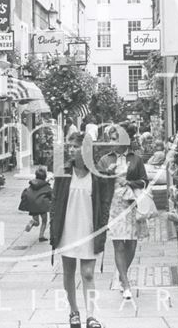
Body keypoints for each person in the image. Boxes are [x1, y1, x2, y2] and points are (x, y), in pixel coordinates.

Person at [50, 133, 113, 328]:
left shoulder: (98, 174)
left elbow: (105, 204)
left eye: (75, 146)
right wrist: (53, 227)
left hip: (88, 229)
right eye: (70, 146)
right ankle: (73, 311)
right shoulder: (63, 171)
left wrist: (102, 228)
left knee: (87, 273)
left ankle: (91, 316)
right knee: (68, 272)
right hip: (67, 228)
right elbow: (55, 201)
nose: (71, 149)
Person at [97, 125, 149, 300]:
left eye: (114, 138)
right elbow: (97, 183)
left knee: (132, 244)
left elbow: (144, 181)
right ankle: (126, 284)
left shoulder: (136, 159)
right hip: (113, 205)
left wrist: (130, 184)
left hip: (132, 204)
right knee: (118, 244)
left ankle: (122, 274)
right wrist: (108, 175)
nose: (111, 142)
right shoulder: (104, 160)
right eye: (110, 138)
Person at [18, 167, 52, 242]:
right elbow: (51, 194)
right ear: (45, 177)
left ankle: (32, 222)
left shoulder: (32, 184)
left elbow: (26, 193)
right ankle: (41, 236)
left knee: (37, 222)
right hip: (42, 205)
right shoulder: (46, 186)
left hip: (32, 205)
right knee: (44, 221)